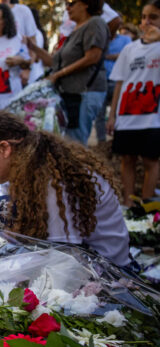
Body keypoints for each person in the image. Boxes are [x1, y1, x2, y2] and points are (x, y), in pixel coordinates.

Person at [0, 111, 130, 267]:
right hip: (69, 257)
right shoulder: (23, 173)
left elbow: (62, 259)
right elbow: (19, 235)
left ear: (4, 149)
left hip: (105, 269)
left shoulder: (53, 181)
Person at [26, 0, 109, 144]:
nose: (67, 8)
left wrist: (59, 74)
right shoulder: (75, 29)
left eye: (71, 3)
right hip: (71, 94)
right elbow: (55, 63)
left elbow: (92, 57)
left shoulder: (95, 23)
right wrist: (34, 47)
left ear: (86, 4)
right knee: (68, 141)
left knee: (76, 143)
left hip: (84, 92)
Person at [106, 0, 160, 203]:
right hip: (127, 115)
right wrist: (112, 115)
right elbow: (120, 82)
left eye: (153, 17)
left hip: (153, 117)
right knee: (127, 159)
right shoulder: (130, 49)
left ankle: (146, 209)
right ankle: (128, 205)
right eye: (144, 17)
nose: (147, 22)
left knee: (150, 160)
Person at [95, 22, 131, 144]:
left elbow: (127, 55)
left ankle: (117, 141)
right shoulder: (101, 38)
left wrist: (108, 56)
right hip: (101, 80)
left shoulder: (126, 40)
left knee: (118, 112)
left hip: (118, 81)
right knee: (100, 113)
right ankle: (102, 142)